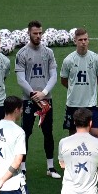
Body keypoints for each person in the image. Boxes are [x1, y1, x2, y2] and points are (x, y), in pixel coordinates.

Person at [15, 21, 59, 178]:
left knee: (48, 132)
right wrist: (34, 94)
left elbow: (54, 75)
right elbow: (20, 79)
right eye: (35, 33)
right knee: (25, 133)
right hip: (28, 101)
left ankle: (51, 167)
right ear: (29, 33)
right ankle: (23, 168)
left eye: (40, 33)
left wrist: (44, 92)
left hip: (46, 99)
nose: (38, 36)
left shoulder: (48, 52)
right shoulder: (22, 54)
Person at [59, 28, 98, 138]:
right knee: (73, 134)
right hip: (73, 104)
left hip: (91, 104)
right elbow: (64, 80)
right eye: (80, 40)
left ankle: (96, 155)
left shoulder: (96, 59)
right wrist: (75, 88)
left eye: (85, 39)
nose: (83, 42)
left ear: (88, 40)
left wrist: (90, 87)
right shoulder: (68, 60)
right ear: (75, 41)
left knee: (96, 134)